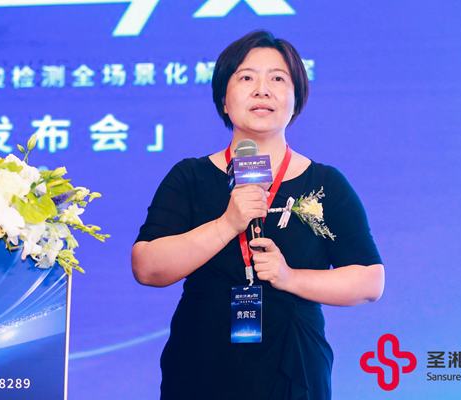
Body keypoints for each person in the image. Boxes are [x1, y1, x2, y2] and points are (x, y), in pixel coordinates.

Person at [131, 30, 384, 400]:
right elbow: (147, 267)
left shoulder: (326, 183)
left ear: (296, 101)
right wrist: (226, 224)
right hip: (201, 363)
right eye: (246, 77)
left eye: (278, 79)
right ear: (224, 100)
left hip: (293, 364)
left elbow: (369, 281)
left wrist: (289, 277)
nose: (262, 90)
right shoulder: (190, 177)